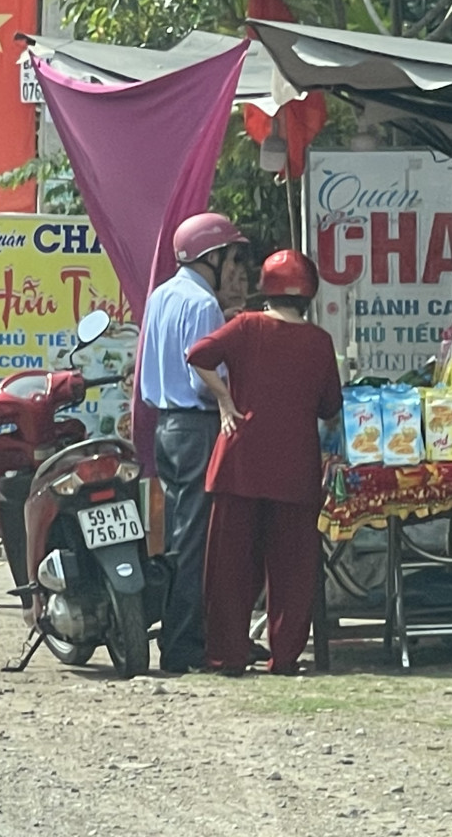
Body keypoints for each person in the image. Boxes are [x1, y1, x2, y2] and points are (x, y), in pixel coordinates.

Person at [185, 249, 343, 675]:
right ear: (309, 295)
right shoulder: (320, 342)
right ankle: (286, 657)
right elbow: (330, 406)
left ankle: (227, 655)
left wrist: (225, 399)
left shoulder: (245, 326)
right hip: (295, 468)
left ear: (265, 289)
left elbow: (197, 355)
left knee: (230, 568)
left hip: (240, 461)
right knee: (293, 570)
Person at [138, 211, 244, 674]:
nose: (235, 267)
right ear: (212, 257)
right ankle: (183, 646)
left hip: (166, 425)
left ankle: (183, 636)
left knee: (180, 536)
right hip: (197, 426)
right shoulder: (203, 305)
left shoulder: (162, 295)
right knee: (195, 541)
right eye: (230, 256)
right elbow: (205, 380)